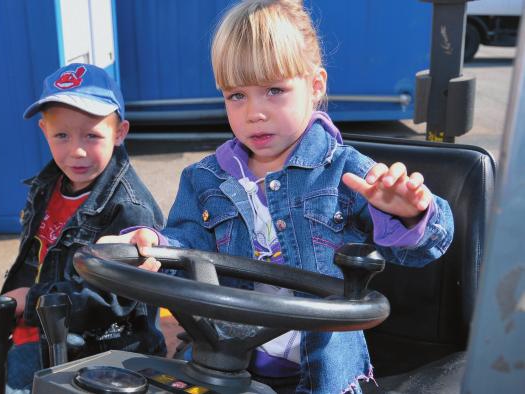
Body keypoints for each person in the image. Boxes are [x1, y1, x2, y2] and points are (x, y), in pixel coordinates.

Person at [99, 1, 454, 393]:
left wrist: (410, 215)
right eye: (237, 95)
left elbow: (422, 251)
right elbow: (188, 248)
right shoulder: (203, 180)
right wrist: (156, 245)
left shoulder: (346, 173)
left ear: (315, 86)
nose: (255, 113)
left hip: (322, 373)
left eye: (274, 90)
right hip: (227, 359)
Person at [0, 63, 166, 393]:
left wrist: (33, 298)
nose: (77, 151)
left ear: (120, 132)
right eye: (62, 135)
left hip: (88, 354)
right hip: (35, 334)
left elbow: (113, 298)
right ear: (44, 130)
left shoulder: (130, 209)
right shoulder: (48, 185)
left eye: (92, 135)